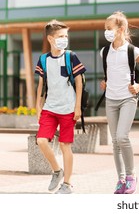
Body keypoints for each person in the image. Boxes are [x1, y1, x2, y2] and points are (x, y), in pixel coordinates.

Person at [99, 11, 139, 194]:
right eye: (105, 29)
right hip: (110, 99)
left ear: (120, 29)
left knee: (122, 137)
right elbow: (111, 73)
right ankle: (121, 179)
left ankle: (131, 176)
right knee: (115, 141)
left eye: (109, 28)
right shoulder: (104, 51)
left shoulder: (133, 51)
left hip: (128, 99)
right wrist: (105, 82)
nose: (106, 32)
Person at [35, 20, 86, 194]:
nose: (64, 39)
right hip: (50, 108)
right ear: (50, 38)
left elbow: (79, 82)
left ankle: (67, 184)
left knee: (65, 146)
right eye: (60, 36)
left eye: (66, 36)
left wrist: (78, 106)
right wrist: (37, 106)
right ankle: (57, 171)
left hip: (69, 109)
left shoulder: (70, 56)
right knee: (41, 140)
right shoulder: (43, 59)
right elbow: (41, 84)